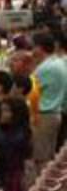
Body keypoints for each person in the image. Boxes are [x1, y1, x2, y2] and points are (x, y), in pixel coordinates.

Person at [31, 31, 66, 170]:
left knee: (41, 158)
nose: (32, 50)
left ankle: (44, 190)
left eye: (33, 46)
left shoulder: (46, 68)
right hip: (54, 113)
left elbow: (29, 91)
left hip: (45, 115)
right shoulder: (58, 62)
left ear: (39, 48)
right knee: (49, 156)